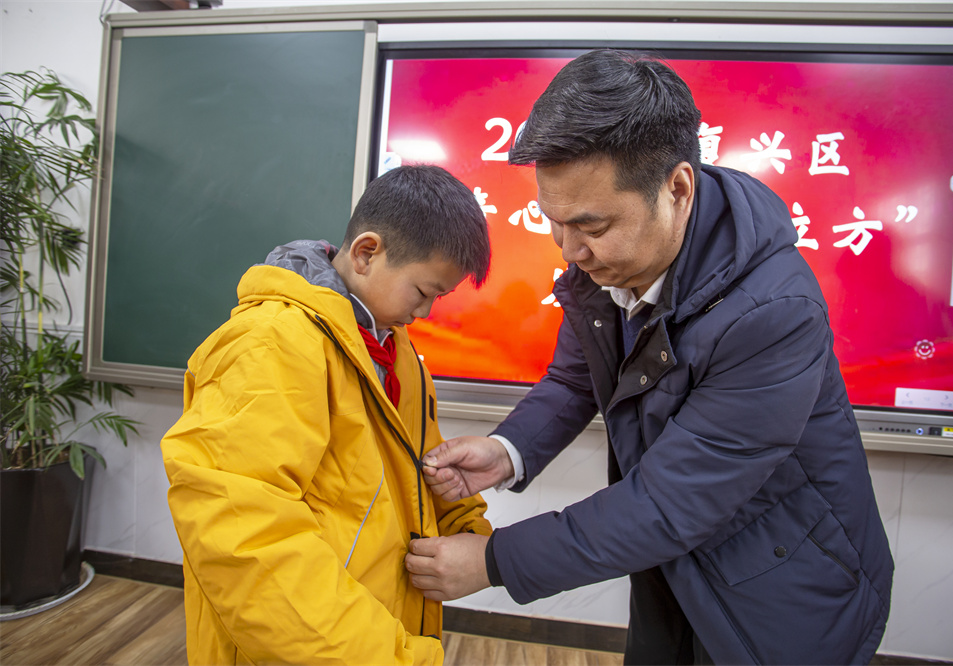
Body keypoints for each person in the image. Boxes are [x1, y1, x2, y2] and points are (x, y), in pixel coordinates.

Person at [405, 50, 894, 665]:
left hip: (785, 584)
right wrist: (508, 451)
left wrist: (494, 561)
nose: (570, 249)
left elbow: (671, 501)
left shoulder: (773, 310)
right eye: (553, 223)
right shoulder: (604, 264)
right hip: (671, 564)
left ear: (678, 189)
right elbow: (575, 376)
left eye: (591, 225)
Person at [161, 165, 493, 666]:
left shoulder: (393, 347)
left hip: (373, 621)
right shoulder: (271, 342)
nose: (424, 313)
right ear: (366, 253)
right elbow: (244, 537)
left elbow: (411, 472)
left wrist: (471, 533)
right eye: (423, 293)